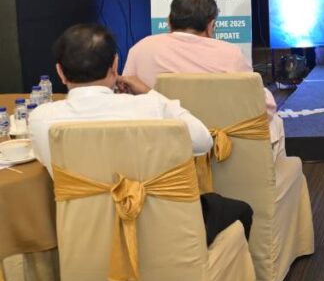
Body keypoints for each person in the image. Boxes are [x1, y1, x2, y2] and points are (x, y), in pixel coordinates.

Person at [28, 23, 252, 245]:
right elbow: (203, 141)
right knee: (240, 210)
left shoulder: (40, 119)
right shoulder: (149, 108)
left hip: (85, 235)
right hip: (161, 229)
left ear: (60, 71)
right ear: (115, 65)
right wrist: (151, 94)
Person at [123, 0, 285, 158]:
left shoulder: (140, 49)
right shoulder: (229, 54)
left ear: (169, 21)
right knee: (275, 123)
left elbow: (125, 101)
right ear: (211, 25)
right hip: (220, 151)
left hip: (161, 153)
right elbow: (262, 108)